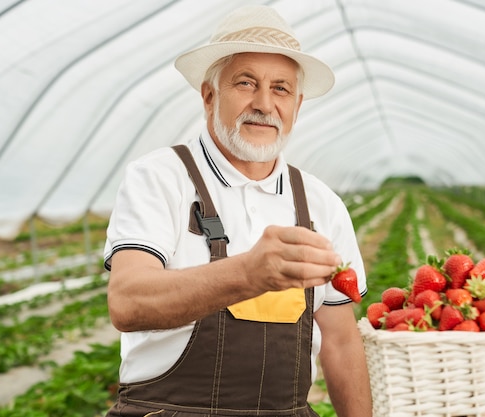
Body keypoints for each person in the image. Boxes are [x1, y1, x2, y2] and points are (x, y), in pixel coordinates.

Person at [103, 5, 372, 417]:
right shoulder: (160, 177)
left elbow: (339, 339)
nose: (264, 104)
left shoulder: (321, 203)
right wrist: (248, 273)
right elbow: (127, 301)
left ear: (297, 105)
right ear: (209, 96)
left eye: (281, 89)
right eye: (246, 83)